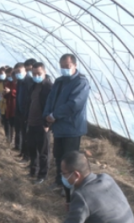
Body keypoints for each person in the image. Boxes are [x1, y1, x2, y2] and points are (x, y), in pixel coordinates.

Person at [44, 54, 90, 198]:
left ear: (75, 65)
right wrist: (47, 114)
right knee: (58, 156)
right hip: (59, 127)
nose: (64, 69)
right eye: (62, 66)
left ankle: (70, 187)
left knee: (70, 159)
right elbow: (51, 99)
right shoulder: (59, 81)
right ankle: (59, 181)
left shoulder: (81, 83)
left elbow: (74, 104)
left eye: (67, 66)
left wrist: (54, 115)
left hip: (72, 127)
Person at [27, 62, 53, 185]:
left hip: (42, 124)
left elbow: (51, 107)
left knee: (43, 152)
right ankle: (33, 170)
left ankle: (43, 175)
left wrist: (47, 124)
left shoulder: (48, 87)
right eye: (34, 74)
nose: (36, 76)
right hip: (31, 122)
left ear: (44, 72)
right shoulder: (34, 86)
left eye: (39, 73)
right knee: (32, 149)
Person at [15, 59, 37, 162]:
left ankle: (27, 156)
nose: (18, 74)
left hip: (27, 113)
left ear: (25, 71)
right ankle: (23, 153)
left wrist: (27, 113)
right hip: (21, 112)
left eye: (19, 72)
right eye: (16, 72)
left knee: (28, 136)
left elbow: (30, 99)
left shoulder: (30, 82)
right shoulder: (20, 82)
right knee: (23, 134)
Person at [2, 68, 17, 144]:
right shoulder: (7, 83)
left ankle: (13, 140)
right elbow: (4, 93)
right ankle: (8, 138)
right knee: (7, 123)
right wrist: (4, 93)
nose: (9, 76)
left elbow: (18, 93)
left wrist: (11, 91)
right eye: (8, 75)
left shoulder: (17, 83)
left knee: (14, 124)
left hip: (14, 105)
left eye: (10, 75)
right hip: (8, 105)